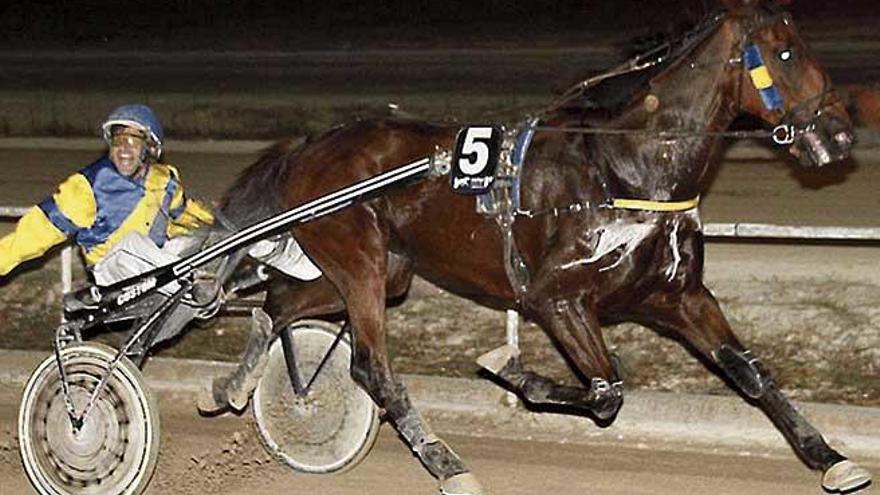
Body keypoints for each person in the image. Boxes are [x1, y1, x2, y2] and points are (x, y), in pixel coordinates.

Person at [0, 104, 214, 283]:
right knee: (133, 243)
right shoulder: (87, 187)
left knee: (202, 238)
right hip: (112, 270)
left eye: (132, 142)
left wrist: (220, 226)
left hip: (154, 266)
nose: (123, 149)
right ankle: (189, 282)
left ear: (150, 149)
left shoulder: (165, 179)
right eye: (118, 141)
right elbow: (36, 233)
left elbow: (188, 217)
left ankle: (197, 284)